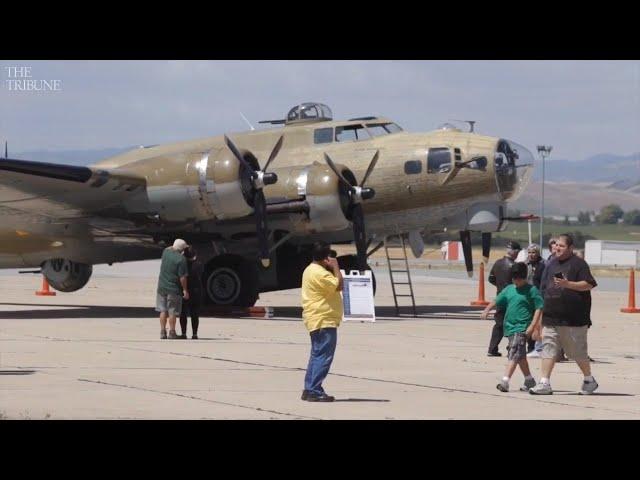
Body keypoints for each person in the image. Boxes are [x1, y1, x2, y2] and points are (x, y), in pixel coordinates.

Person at [529, 234, 598, 395]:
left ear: (570, 248)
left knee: (577, 352)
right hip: (551, 316)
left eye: (561, 246)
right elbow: (543, 290)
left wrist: (568, 284)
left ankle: (589, 380)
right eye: (556, 245)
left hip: (573, 319)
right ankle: (544, 383)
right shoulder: (550, 264)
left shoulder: (578, 264)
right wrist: (538, 319)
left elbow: (588, 284)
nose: (557, 248)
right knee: (548, 349)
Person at [481, 262, 543, 392]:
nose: (516, 281)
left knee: (514, 353)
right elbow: (497, 300)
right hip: (509, 327)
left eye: (519, 279)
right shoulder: (509, 289)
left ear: (525, 277)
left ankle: (505, 381)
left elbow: (539, 307)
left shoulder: (531, 290)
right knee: (519, 355)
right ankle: (529, 380)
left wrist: (533, 325)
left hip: (522, 327)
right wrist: (487, 310)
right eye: (514, 278)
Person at [300, 241, 344, 402]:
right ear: (326, 257)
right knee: (323, 356)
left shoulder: (309, 270)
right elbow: (339, 285)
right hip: (324, 319)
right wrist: (336, 267)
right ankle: (314, 390)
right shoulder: (321, 273)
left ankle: (309, 388)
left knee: (316, 355)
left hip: (316, 318)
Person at [486, 240, 521, 356]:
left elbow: (491, 279)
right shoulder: (515, 266)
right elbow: (520, 282)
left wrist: (500, 287)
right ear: (515, 252)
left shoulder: (497, 263)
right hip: (513, 299)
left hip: (500, 297)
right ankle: (511, 348)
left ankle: (492, 348)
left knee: (499, 324)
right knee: (514, 323)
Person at [156, 238, 189, 339]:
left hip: (161, 287)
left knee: (163, 310)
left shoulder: (165, 252)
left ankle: (162, 332)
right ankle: (172, 332)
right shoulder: (181, 259)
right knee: (172, 312)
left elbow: (168, 248)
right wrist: (185, 290)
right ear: (182, 249)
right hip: (173, 289)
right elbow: (182, 277)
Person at [525, 243, 546, 354]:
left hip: (540, 296)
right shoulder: (524, 264)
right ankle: (530, 347)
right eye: (529, 252)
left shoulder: (545, 264)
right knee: (528, 322)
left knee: (538, 322)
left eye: (534, 252)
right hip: (528, 297)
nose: (531, 255)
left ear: (538, 253)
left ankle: (537, 346)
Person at [178, 246, 203, 339]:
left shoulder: (182, 265)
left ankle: (184, 333)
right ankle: (194, 334)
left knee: (183, 313)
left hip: (184, 290)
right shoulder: (199, 264)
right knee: (195, 314)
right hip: (196, 291)